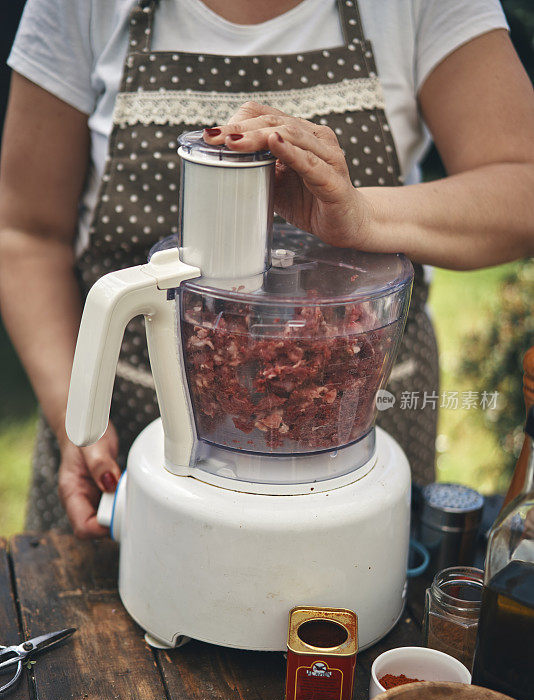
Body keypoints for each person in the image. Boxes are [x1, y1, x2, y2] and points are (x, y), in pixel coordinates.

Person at [0, 0, 533, 538]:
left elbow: (522, 188)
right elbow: (25, 232)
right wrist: (79, 422)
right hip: (127, 434)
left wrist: (363, 216)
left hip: (358, 437)